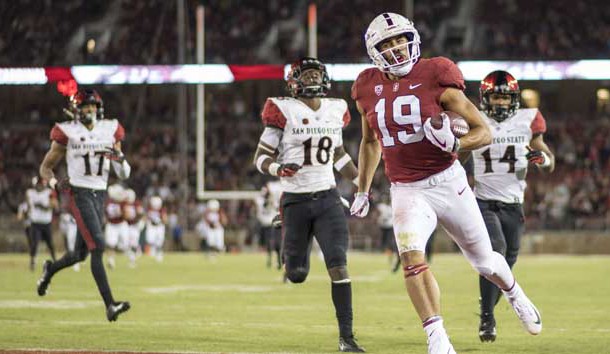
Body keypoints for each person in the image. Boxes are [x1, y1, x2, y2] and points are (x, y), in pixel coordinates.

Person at [349, 13, 542, 353]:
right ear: (373, 51)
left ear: (413, 39)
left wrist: (455, 144)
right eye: (387, 43)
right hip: (406, 189)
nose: (396, 48)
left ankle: (514, 293)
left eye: (399, 40)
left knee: (484, 262)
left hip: (447, 182)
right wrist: (362, 189)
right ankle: (437, 338)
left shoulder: (435, 73)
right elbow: (369, 142)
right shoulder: (366, 85)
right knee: (411, 257)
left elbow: (482, 130)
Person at [252, 57, 365, 352]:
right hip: (296, 201)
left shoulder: (334, 109)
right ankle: (288, 238)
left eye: (317, 74)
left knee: (339, 265)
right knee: (297, 274)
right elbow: (260, 157)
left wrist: (360, 182)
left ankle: (347, 337)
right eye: (307, 75)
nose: (313, 80)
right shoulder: (282, 110)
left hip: (328, 198)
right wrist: (278, 169)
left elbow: (339, 155)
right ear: (294, 82)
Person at [467, 70, 555, 342]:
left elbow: (547, 157)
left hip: (514, 204)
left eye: (505, 98)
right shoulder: (474, 119)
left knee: (508, 261)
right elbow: (456, 154)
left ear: (514, 99)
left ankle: (486, 309)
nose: (501, 103)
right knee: (496, 251)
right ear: (485, 98)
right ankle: (487, 318)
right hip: (483, 200)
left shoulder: (528, 119)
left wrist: (543, 160)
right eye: (496, 97)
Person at [36, 89, 132, 322]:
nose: (90, 110)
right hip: (79, 194)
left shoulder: (110, 129)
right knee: (98, 245)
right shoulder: (68, 132)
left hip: (100, 194)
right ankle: (110, 304)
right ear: (77, 110)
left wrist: (119, 158)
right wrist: (55, 184)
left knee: (80, 254)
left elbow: (124, 173)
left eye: (92, 106)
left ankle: (50, 270)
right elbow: (45, 168)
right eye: (85, 106)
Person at [26, 176, 58, 270]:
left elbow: (55, 205)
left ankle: (55, 260)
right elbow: (29, 206)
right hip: (35, 222)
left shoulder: (49, 192)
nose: (40, 186)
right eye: (38, 184)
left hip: (46, 222)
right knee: (34, 243)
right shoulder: (30, 193)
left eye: (41, 184)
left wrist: (43, 206)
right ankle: (32, 262)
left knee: (50, 244)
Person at [255, 181, 283, 269]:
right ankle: (270, 260)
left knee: (276, 244)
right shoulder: (260, 200)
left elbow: (276, 207)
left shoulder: (272, 200)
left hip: (272, 223)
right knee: (268, 244)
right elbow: (264, 205)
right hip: (265, 223)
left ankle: (278, 261)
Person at [104, 183, 128, 269]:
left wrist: (122, 213)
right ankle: (111, 260)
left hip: (121, 224)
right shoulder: (108, 202)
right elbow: (105, 214)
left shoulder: (123, 202)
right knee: (111, 244)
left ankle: (126, 255)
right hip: (111, 224)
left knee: (124, 244)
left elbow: (126, 216)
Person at [145, 195, 167, 262]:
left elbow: (165, 219)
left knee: (159, 241)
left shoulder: (162, 209)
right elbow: (146, 216)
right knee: (150, 240)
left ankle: (159, 254)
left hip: (159, 226)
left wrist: (162, 219)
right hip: (151, 226)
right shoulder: (149, 209)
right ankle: (153, 251)